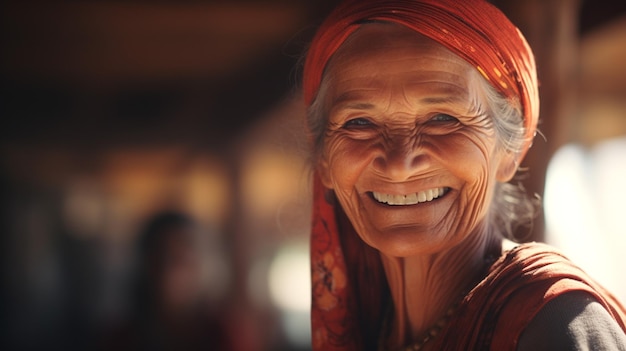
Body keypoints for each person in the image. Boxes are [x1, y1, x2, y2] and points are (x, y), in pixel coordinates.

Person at [301, 0, 626, 350]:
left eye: (443, 119)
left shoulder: (552, 323)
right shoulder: (374, 329)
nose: (399, 163)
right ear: (324, 161)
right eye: (359, 123)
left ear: (510, 151)